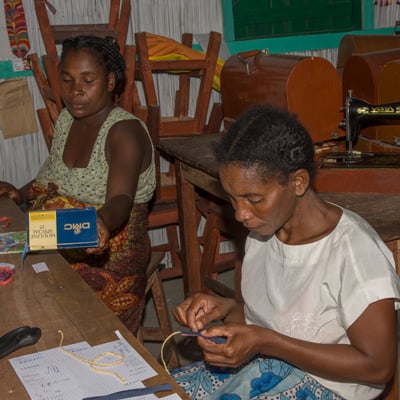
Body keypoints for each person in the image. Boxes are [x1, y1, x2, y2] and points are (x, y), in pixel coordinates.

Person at [171, 105, 400, 399]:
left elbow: (377, 367)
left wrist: (265, 342)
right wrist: (227, 309)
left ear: (298, 182)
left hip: (328, 387)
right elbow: (266, 321)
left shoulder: (353, 253)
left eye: (254, 199)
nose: (241, 214)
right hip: (267, 363)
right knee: (160, 391)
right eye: (233, 199)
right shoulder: (264, 232)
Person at [0, 35, 156, 334]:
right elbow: (52, 177)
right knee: (11, 279)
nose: (76, 92)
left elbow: (121, 198)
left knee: (72, 327)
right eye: (68, 80)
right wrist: (18, 193)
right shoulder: (68, 121)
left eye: (88, 80)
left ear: (110, 82)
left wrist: (102, 223)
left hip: (105, 255)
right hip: (57, 237)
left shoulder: (124, 132)